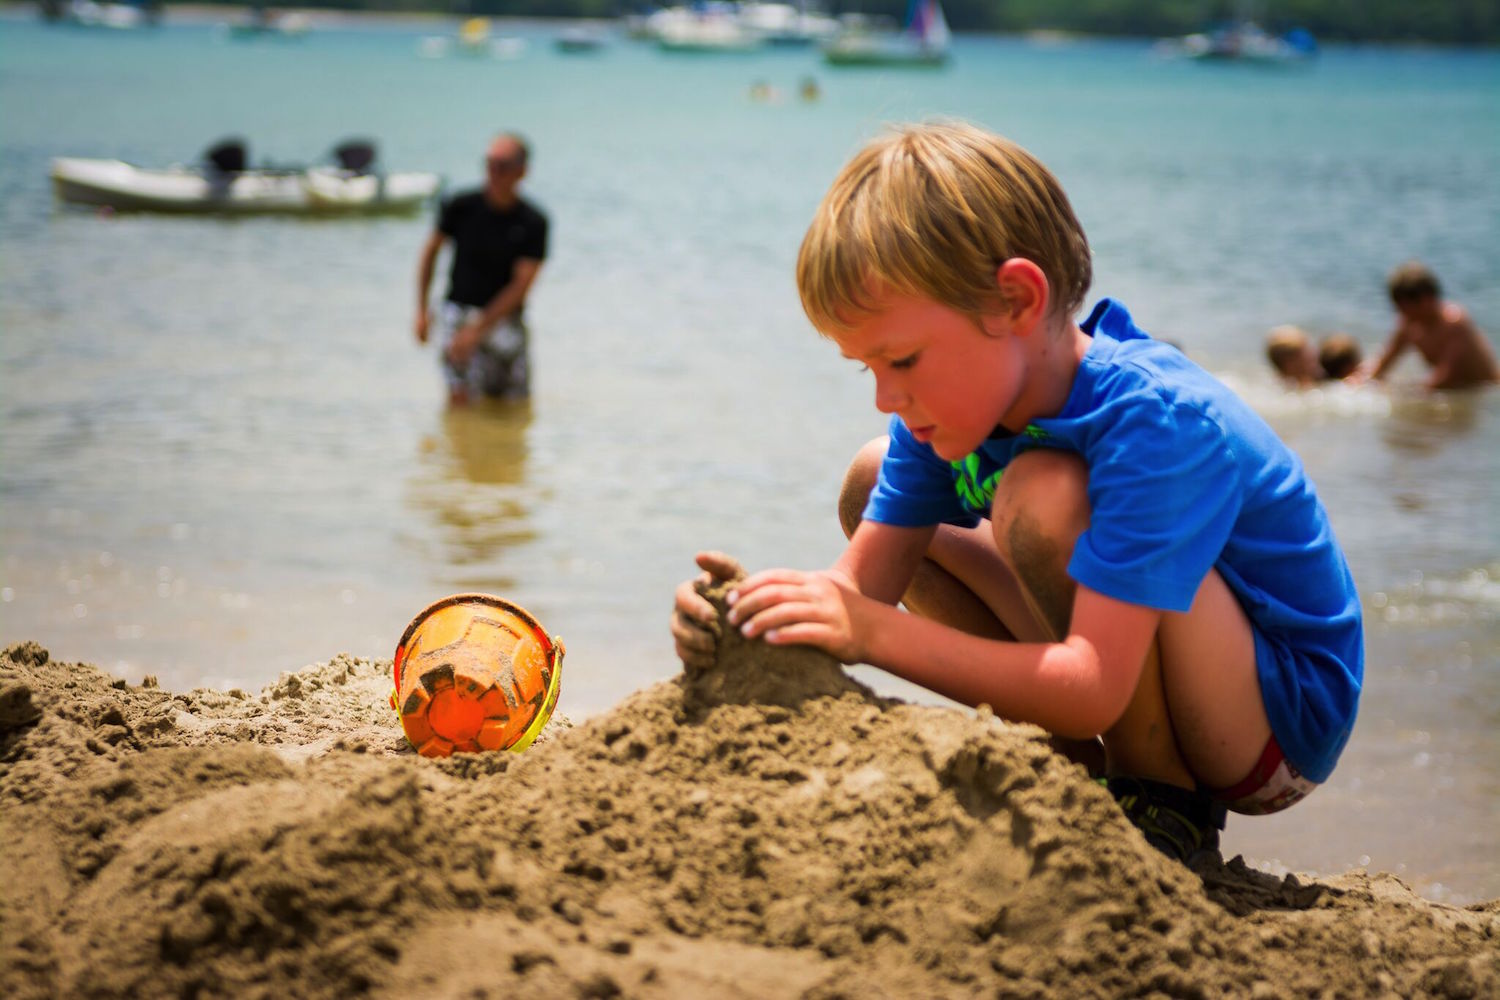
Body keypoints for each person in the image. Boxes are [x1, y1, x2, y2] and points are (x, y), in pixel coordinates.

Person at [670, 122, 1363, 867]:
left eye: (901, 358)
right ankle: (1069, 765)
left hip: (1274, 718)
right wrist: (748, 619)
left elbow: (1092, 684)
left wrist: (870, 634)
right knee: (871, 477)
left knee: (1043, 493)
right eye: (864, 368)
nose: (885, 396)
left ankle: (1161, 798)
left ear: (1015, 301)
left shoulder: (1150, 418)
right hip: (1154, 661)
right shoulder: (939, 412)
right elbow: (855, 590)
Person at [414, 133, 548, 405]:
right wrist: (422, 310)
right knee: (460, 404)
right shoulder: (461, 206)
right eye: (489, 164)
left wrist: (477, 330)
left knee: (513, 407)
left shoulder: (534, 221)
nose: (493, 173)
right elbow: (430, 252)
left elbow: (521, 286)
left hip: (505, 319)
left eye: (502, 166)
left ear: (522, 171)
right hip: (458, 314)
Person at [1367, 261, 1497, 391]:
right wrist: (1359, 383)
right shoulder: (1409, 324)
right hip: (1455, 391)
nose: (1401, 313)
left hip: (1486, 394)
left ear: (1426, 299)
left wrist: (1402, 394)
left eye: (1404, 308)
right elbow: (1381, 365)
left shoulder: (1454, 324)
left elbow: (1443, 380)